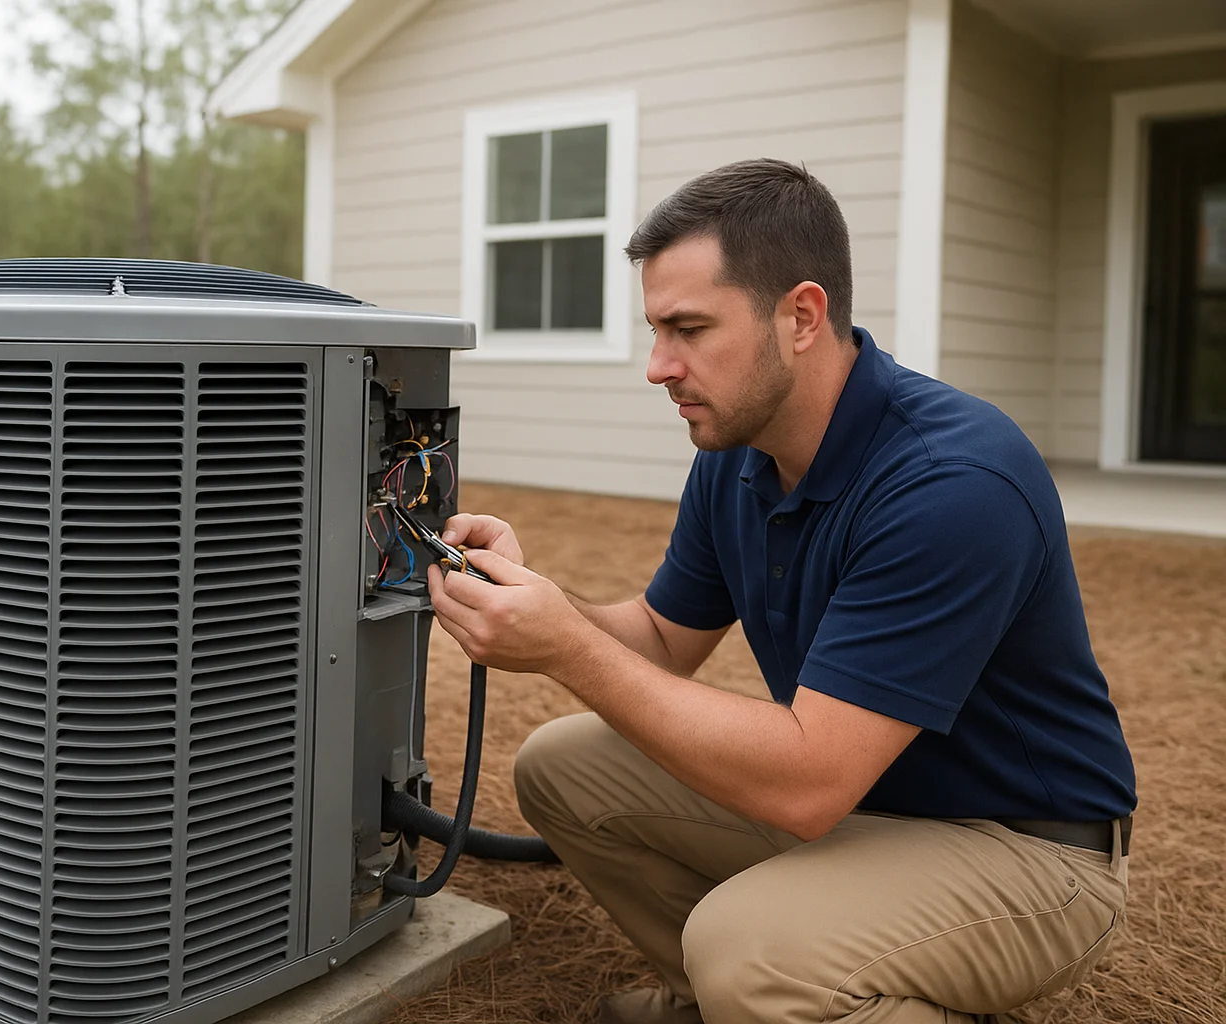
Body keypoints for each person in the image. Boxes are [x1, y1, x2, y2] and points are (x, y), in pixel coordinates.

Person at [424, 158, 1136, 1024]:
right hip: (877, 811)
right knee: (565, 766)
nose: (658, 366)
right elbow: (658, 640)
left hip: (1028, 852)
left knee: (748, 948)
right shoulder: (741, 455)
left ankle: (784, 990)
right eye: (656, 329)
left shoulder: (954, 482)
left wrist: (565, 647)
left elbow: (807, 782)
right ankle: (720, 1003)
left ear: (801, 315)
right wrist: (538, 596)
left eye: (688, 328)